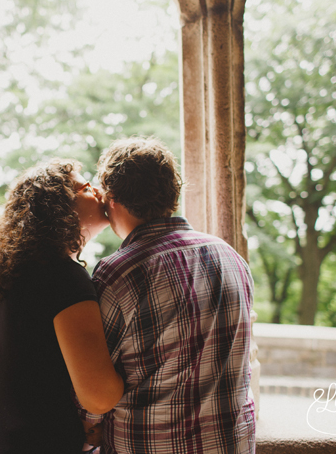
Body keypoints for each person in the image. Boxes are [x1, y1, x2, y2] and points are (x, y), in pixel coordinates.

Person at [80, 137, 256, 454]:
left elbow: (94, 398)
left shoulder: (118, 273)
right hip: (232, 444)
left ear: (112, 200)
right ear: (173, 194)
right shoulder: (230, 257)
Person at [0, 160, 123, 454]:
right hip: (30, 442)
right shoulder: (64, 278)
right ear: (60, 208)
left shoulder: (13, 271)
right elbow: (99, 397)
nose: (96, 190)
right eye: (84, 187)